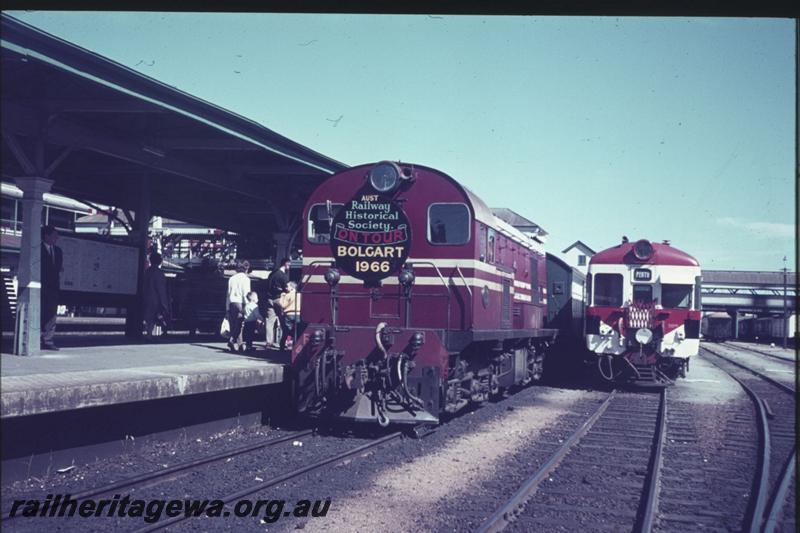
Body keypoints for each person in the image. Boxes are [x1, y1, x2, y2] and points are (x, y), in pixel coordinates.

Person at [40, 225, 63, 350]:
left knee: (52, 315)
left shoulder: (58, 251)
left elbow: (58, 269)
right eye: (54, 235)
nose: (57, 238)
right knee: (40, 313)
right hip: (41, 288)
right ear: (46, 236)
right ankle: (38, 339)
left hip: (53, 289)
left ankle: (48, 340)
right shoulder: (37, 249)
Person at [142, 252, 170, 341]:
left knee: (148, 317)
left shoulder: (147, 272)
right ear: (159, 261)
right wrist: (164, 303)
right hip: (155, 298)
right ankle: (150, 335)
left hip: (146, 297)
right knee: (154, 317)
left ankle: (148, 334)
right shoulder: (159, 273)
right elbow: (161, 289)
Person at [265, 257, 290, 349]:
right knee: (284, 322)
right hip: (279, 300)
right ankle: (283, 343)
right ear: (286, 264)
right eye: (289, 264)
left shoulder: (272, 274)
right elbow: (287, 289)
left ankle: (269, 342)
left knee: (269, 322)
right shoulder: (283, 276)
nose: (289, 266)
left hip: (269, 299)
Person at [226, 260, 251, 352]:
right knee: (240, 324)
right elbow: (246, 294)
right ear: (246, 268)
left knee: (234, 324)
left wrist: (227, 308)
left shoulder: (231, 278)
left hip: (232, 303)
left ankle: (238, 344)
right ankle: (233, 340)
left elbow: (228, 294)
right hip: (241, 303)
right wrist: (248, 305)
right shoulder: (246, 279)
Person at [279, 281, 301, 349]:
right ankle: (295, 344)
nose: (286, 287)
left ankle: (283, 345)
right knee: (297, 330)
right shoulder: (300, 295)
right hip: (298, 314)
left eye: (287, 286)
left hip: (289, 314)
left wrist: (282, 297)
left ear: (292, 287)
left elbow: (282, 305)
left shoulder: (287, 295)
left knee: (286, 331)